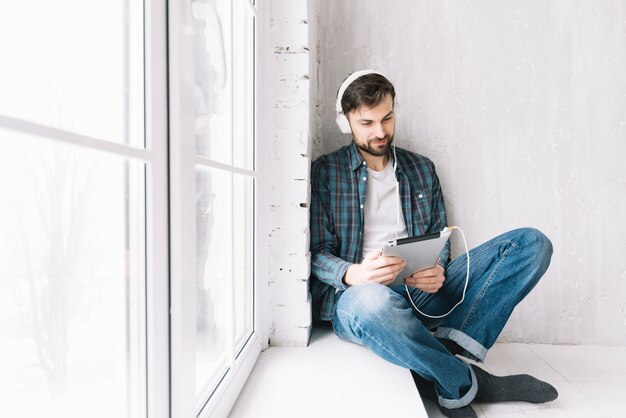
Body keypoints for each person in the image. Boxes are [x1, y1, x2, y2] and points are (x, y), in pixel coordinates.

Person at [309, 70, 558, 418]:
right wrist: (354, 273)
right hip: (359, 298)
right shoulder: (326, 172)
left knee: (533, 243)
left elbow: (438, 240)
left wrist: (436, 270)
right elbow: (317, 253)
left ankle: (438, 353)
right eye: (366, 123)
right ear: (345, 120)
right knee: (372, 302)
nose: (379, 132)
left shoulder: (422, 169)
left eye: (387, 118)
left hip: (420, 293)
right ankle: (465, 382)